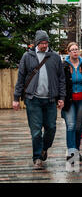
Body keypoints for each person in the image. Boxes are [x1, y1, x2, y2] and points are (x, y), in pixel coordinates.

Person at [13, 30, 66, 170]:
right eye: (42, 43)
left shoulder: (54, 57)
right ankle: (37, 158)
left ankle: (44, 148)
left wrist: (61, 97)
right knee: (36, 131)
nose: (44, 45)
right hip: (33, 99)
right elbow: (20, 78)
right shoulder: (27, 56)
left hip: (50, 100)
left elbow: (61, 79)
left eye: (46, 42)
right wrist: (16, 98)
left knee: (51, 128)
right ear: (37, 43)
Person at [62, 42, 82, 164]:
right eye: (72, 50)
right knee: (71, 126)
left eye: (76, 49)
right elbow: (60, 82)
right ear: (68, 52)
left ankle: (76, 150)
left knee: (78, 127)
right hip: (69, 100)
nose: (75, 51)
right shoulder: (64, 65)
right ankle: (72, 153)